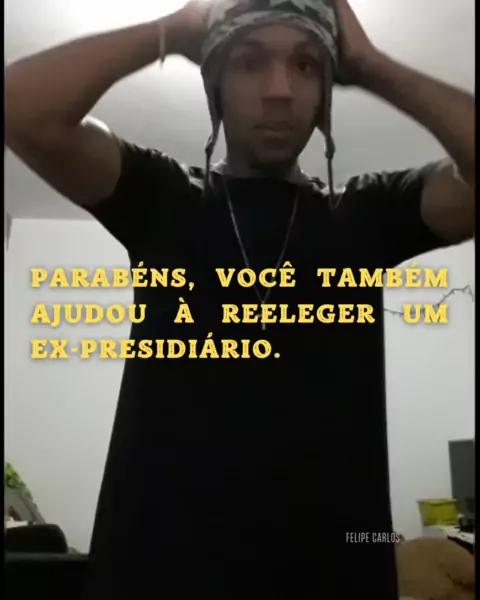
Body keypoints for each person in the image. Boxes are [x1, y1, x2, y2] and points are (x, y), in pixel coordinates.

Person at [5, 0, 474, 598]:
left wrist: (372, 64)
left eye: (306, 65)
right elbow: (20, 107)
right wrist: (169, 31)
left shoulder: (368, 213)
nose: (280, 91)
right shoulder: (164, 198)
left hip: (331, 577)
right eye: (250, 62)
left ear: (325, 93)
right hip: (160, 577)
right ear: (215, 84)